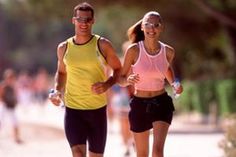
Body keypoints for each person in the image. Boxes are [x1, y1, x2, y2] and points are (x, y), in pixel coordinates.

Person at [49, 2, 121, 157]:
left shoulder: (102, 44)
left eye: (87, 20)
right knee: (78, 153)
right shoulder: (64, 47)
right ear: (73, 20)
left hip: (97, 111)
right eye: (80, 19)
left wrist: (107, 84)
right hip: (73, 111)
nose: (84, 23)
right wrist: (57, 90)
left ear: (93, 21)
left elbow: (119, 69)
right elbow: (61, 73)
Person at [118, 11, 183, 157]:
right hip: (139, 104)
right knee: (142, 154)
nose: (151, 28)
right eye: (147, 24)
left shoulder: (168, 52)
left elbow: (169, 74)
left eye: (156, 25)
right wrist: (127, 80)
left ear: (161, 28)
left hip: (161, 103)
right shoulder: (133, 50)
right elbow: (120, 78)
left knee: (158, 152)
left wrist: (176, 86)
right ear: (142, 27)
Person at [0, 68, 23, 144]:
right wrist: (4, 103)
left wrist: (15, 102)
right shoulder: (4, 86)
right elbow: (1, 96)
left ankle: (16, 138)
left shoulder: (13, 87)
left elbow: (15, 96)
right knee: (1, 122)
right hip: (5, 105)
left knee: (15, 122)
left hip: (11, 106)